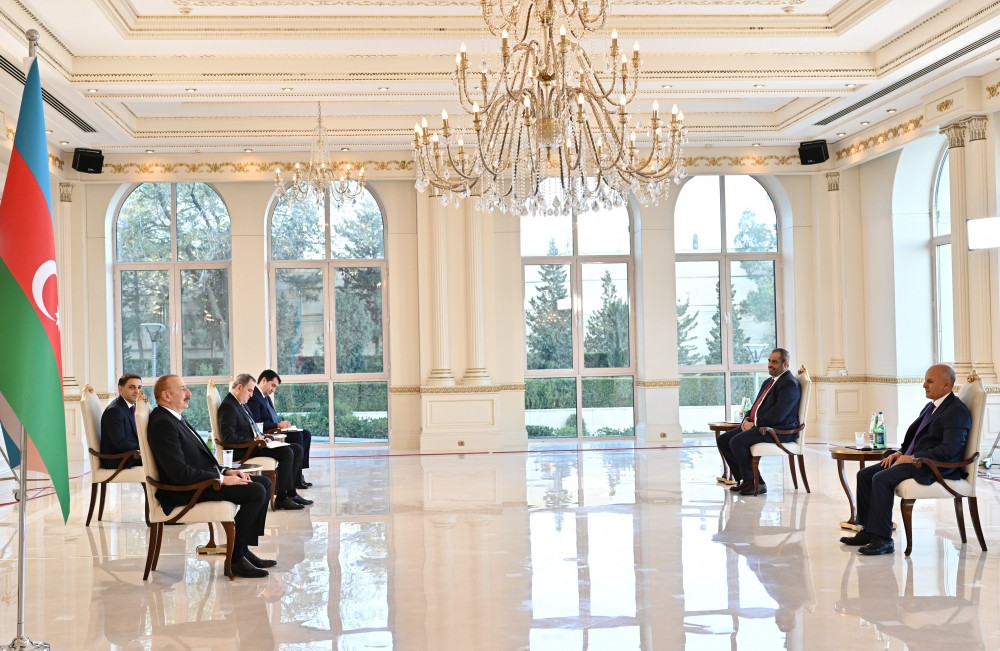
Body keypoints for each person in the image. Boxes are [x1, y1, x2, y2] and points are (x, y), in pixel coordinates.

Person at [146, 374, 275, 578]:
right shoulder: (163, 423)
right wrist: (221, 480)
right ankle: (235, 560)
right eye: (182, 389)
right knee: (256, 491)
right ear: (166, 396)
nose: (189, 393)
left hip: (200, 481)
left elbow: (199, 460)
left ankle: (242, 550)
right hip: (186, 490)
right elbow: (178, 473)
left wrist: (226, 471)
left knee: (264, 483)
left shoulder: (173, 417)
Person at [840, 364, 970, 555]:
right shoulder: (931, 406)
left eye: (930, 381)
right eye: (925, 380)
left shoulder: (956, 411)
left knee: (881, 478)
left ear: (946, 384)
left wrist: (913, 458)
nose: (924, 385)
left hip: (933, 466)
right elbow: (918, 438)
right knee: (864, 475)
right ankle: (868, 531)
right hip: (916, 460)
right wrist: (901, 453)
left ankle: (884, 539)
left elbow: (949, 450)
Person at [219, 373, 312, 510]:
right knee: (287, 452)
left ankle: (291, 493)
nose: (251, 395)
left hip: (255, 444)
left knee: (296, 448)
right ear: (239, 387)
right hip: (245, 449)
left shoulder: (240, 404)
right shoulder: (229, 406)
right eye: (249, 390)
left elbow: (254, 427)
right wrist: (254, 440)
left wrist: (263, 436)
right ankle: (281, 498)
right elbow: (228, 437)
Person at [717, 348, 801, 496]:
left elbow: (778, 415)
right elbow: (756, 406)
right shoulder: (769, 381)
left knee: (737, 442)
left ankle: (755, 482)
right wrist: (746, 419)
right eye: (769, 361)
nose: (770, 365)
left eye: (774, 362)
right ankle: (746, 480)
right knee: (723, 440)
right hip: (762, 425)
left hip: (778, 430)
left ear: (785, 364)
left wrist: (754, 424)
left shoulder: (789, 384)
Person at [246, 369, 312, 488]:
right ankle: (295, 479)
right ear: (264, 380)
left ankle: (298, 472)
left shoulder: (265, 397)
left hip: (276, 430)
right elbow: (257, 424)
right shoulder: (254, 397)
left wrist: (282, 423)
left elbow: (271, 417)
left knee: (306, 434)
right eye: (273, 385)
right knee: (297, 436)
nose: (273, 390)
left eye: (275, 387)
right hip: (269, 433)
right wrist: (277, 425)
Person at [99, 373, 143, 469]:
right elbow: (120, 443)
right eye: (132, 387)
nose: (137, 391)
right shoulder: (114, 411)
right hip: (117, 458)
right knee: (161, 459)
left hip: (129, 453)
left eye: (139, 387)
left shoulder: (132, 406)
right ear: (121, 389)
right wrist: (144, 449)